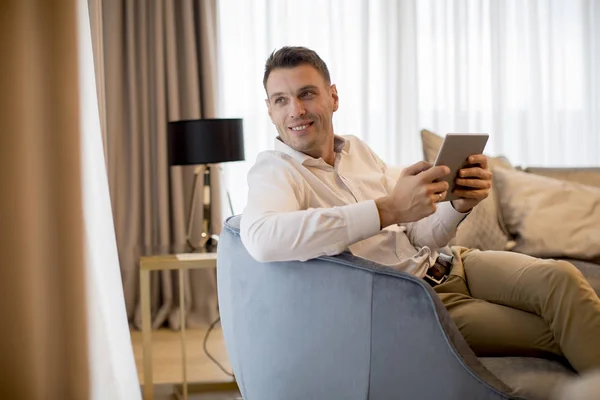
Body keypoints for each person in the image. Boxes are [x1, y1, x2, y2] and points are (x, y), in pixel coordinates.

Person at [240, 46, 600, 373]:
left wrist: (458, 205)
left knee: (562, 278)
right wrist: (388, 209)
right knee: (557, 329)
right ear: (270, 110)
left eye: (306, 94)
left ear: (333, 97)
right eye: (281, 100)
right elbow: (261, 239)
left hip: (453, 261)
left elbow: (414, 235)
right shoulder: (275, 171)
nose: (296, 111)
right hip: (419, 302)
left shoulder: (358, 151)